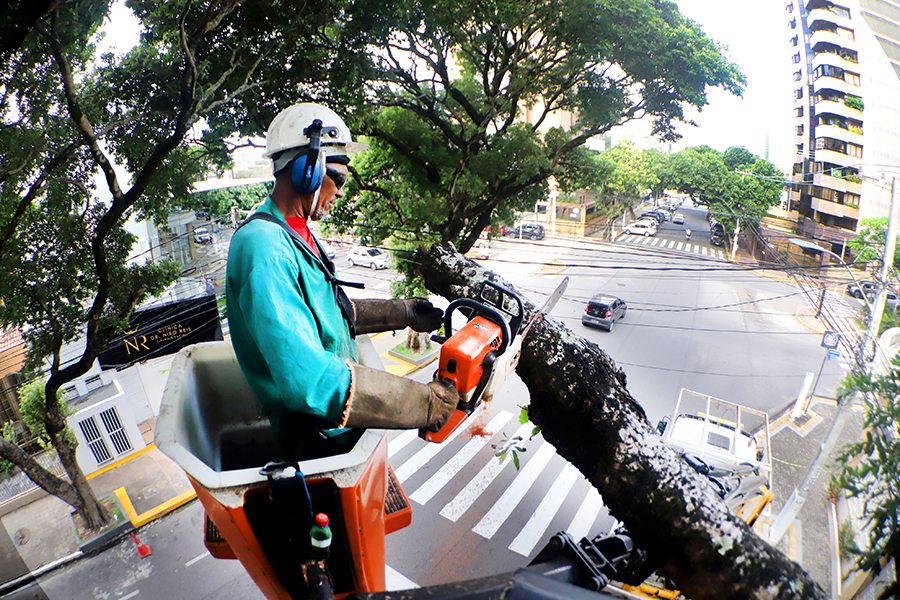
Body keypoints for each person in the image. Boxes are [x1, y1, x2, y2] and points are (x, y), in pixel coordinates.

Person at [225, 103, 458, 458]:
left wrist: (402, 312)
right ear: (307, 170)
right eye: (340, 178)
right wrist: (423, 404)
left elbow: (328, 312)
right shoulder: (264, 248)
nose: (342, 191)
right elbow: (309, 380)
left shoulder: (296, 232)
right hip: (319, 437)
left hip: (340, 427)